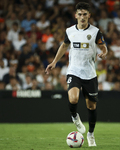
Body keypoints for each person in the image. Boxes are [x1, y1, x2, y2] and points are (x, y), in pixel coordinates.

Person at [45, 2, 108, 147]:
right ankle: (74, 116)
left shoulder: (95, 32)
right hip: (74, 71)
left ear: (89, 15)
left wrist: (104, 53)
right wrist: (54, 62)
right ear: (75, 15)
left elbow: (103, 47)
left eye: (85, 14)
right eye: (79, 14)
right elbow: (64, 45)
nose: (82, 17)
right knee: (73, 99)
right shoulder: (69, 31)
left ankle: (91, 134)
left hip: (90, 73)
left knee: (91, 107)